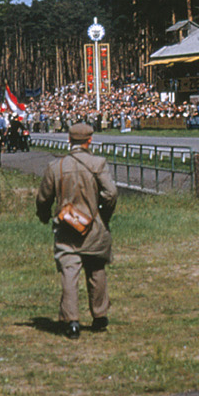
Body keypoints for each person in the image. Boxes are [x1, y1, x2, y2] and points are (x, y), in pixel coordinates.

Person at [34, 121, 117, 340]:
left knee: (69, 274)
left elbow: (43, 198)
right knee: (97, 270)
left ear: (69, 140)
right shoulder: (98, 163)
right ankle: (100, 316)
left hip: (67, 228)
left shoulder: (57, 167)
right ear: (90, 141)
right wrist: (103, 215)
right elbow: (111, 193)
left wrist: (44, 215)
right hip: (94, 226)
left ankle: (72, 322)